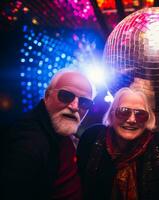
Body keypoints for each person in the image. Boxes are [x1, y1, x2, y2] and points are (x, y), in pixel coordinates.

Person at [0, 69, 95, 200]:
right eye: (66, 96)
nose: (75, 106)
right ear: (47, 96)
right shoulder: (29, 142)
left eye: (85, 102)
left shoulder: (60, 127)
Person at [77, 87, 159, 200]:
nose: (132, 120)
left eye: (140, 114)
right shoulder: (93, 137)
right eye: (123, 111)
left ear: (148, 119)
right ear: (111, 114)